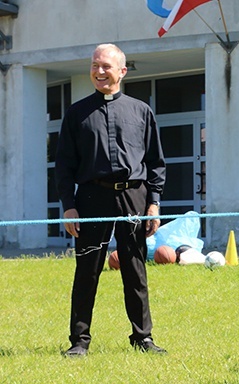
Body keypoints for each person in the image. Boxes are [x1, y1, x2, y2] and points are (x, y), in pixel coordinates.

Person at [55, 44, 166, 357]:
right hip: (91, 198)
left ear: (122, 71)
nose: (98, 71)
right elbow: (63, 165)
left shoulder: (141, 111)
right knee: (87, 269)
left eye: (105, 66)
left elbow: (156, 162)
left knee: (134, 269)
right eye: (94, 65)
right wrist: (69, 205)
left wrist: (154, 202)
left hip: (134, 197)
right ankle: (79, 342)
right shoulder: (76, 114)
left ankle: (143, 338)